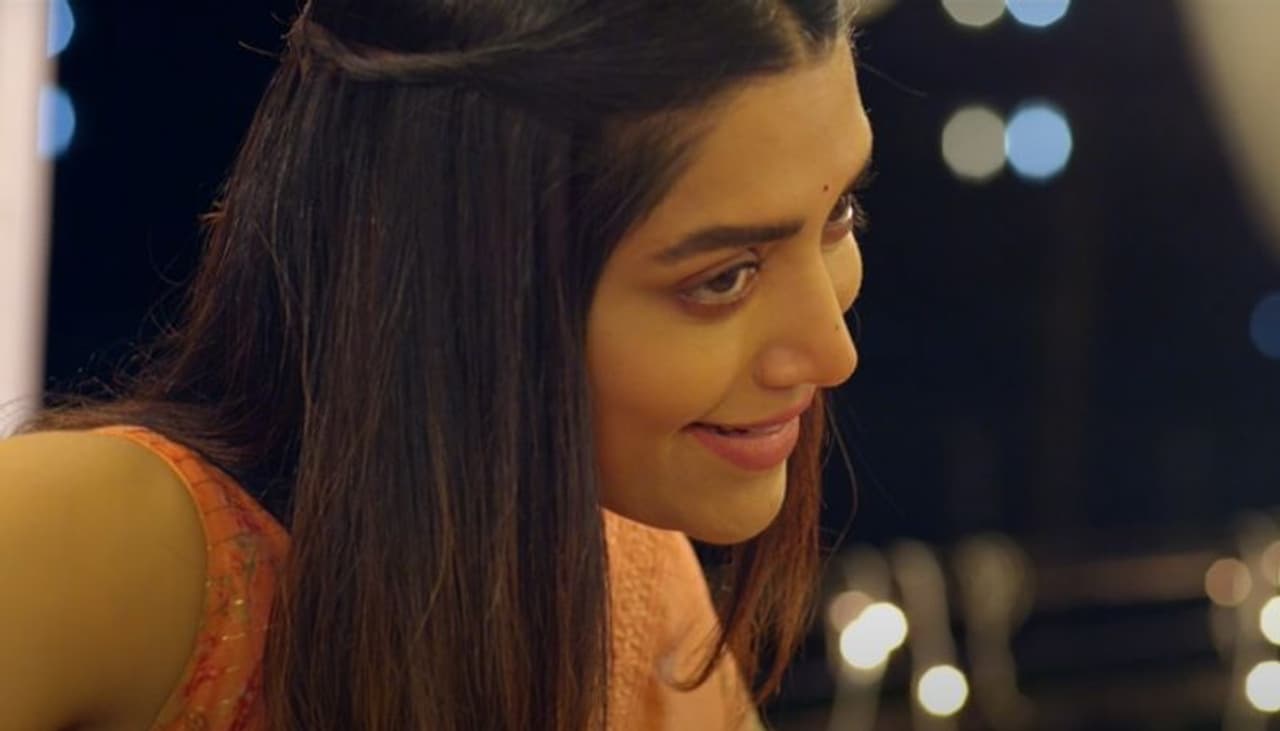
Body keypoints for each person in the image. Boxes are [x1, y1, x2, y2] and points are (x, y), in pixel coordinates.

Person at [0, 0, 872, 728]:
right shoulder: (101, 547)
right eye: (723, 278)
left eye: (838, 217)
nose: (833, 353)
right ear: (468, 272)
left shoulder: (637, 586)